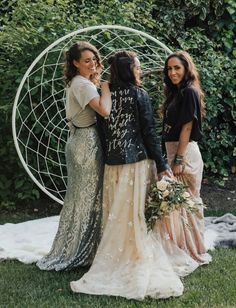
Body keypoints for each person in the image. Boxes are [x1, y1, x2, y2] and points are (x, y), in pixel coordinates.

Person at [70, 51, 185, 300]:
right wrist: (163, 163)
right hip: (136, 164)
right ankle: (136, 255)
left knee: (118, 214)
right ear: (129, 69)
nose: (140, 71)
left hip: (113, 165)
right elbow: (148, 133)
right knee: (136, 214)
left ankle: (117, 256)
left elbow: (102, 133)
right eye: (138, 67)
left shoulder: (105, 94)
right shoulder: (139, 94)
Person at [36, 41, 111, 271]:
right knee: (89, 198)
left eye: (94, 59)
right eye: (86, 60)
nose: (93, 64)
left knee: (81, 198)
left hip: (78, 140)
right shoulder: (82, 85)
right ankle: (80, 251)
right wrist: (107, 88)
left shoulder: (78, 82)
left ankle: (77, 246)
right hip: (86, 143)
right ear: (75, 63)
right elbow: (104, 111)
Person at [154, 51, 211, 265]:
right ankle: (184, 246)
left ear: (186, 68)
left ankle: (195, 249)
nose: (172, 72)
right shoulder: (176, 93)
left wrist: (178, 160)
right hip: (174, 150)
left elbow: (187, 126)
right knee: (177, 204)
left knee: (189, 203)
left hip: (184, 153)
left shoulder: (189, 92)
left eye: (177, 68)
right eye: (169, 69)